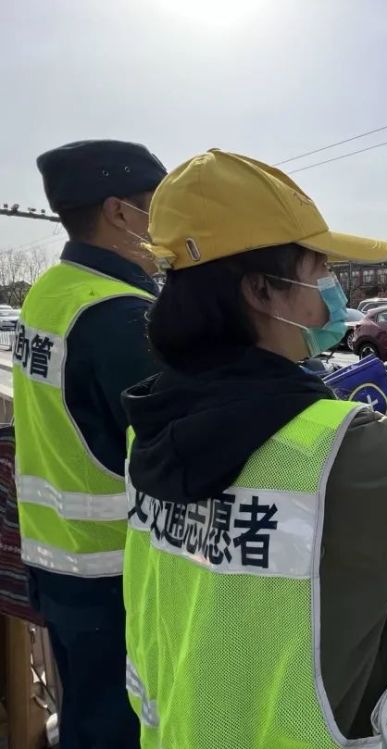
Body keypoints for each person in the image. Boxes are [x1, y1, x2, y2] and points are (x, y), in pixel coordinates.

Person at [121, 150, 387, 747]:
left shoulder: (148, 423)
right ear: (260, 290)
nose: (334, 285)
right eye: (319, 266)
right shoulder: (337, 453)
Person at [12, 140, 166, 748]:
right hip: (115, 575)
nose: (166, 224)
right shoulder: (121, 315)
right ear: (120, 213)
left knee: (82, 720)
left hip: (55, 562)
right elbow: (178, 447)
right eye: (156, 207)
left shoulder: (50, 291)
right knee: (116, 730)